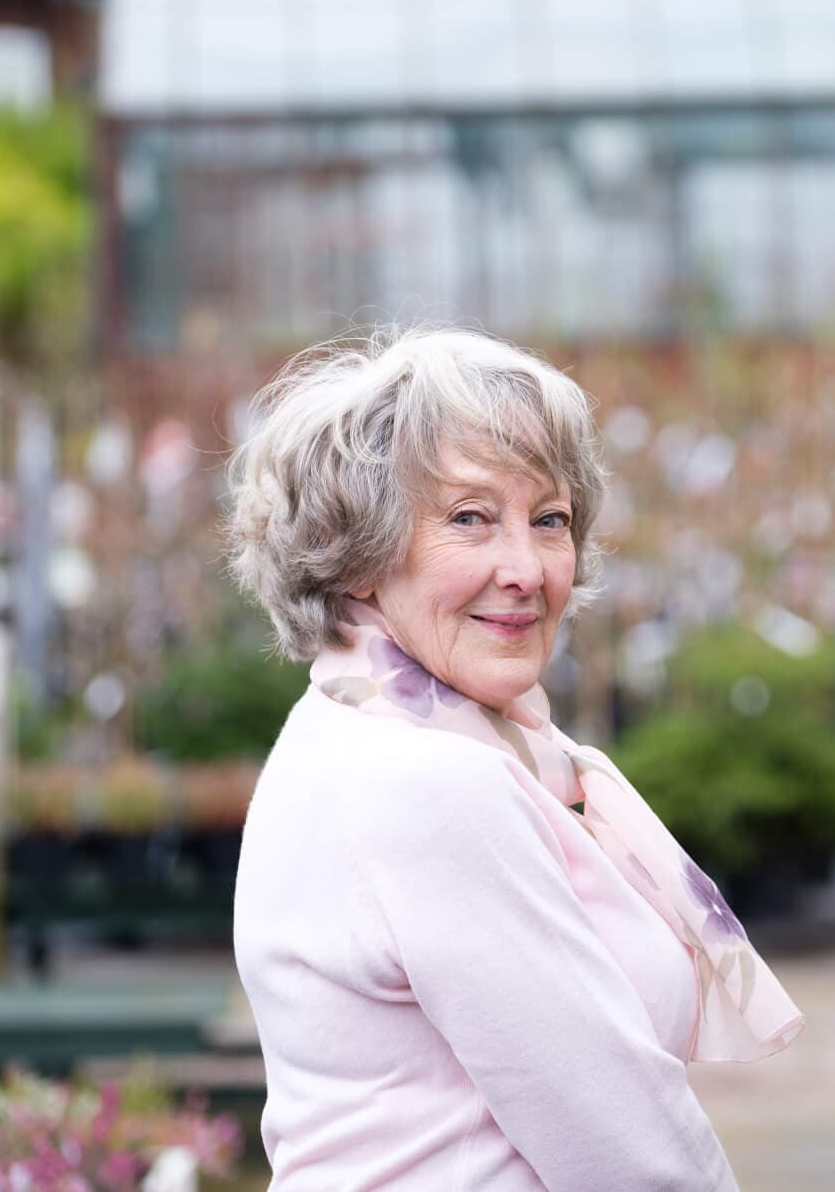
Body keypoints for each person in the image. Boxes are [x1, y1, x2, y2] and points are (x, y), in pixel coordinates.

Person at [225, 326, 801, 1191]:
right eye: (471, 518)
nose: (527, 568)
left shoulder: (347, 730)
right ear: (358, 552)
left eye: (550, 520)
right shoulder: (432, 783)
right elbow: (625, 1146)